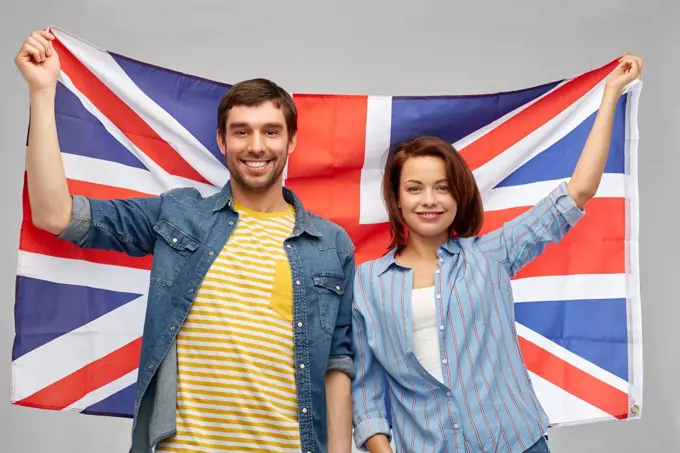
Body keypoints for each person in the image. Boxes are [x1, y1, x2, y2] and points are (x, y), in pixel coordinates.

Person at [15, 30, 356, 453]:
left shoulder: (331, 244)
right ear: (222, 140)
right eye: (241, 132)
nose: (256, 146)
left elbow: (337, 366)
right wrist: (43, 91)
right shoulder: (179, 214)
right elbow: (56, 215)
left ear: (292, 142)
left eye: (271, 132)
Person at [350, 54, 643, 453]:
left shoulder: (490, 255)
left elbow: (577, 192)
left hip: (517, 443)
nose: (429, 200)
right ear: (396, 199)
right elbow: (365, 391)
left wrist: (609, 94)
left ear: (458, 194)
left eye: (442, 187)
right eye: (415, 188)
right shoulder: (367, 284)